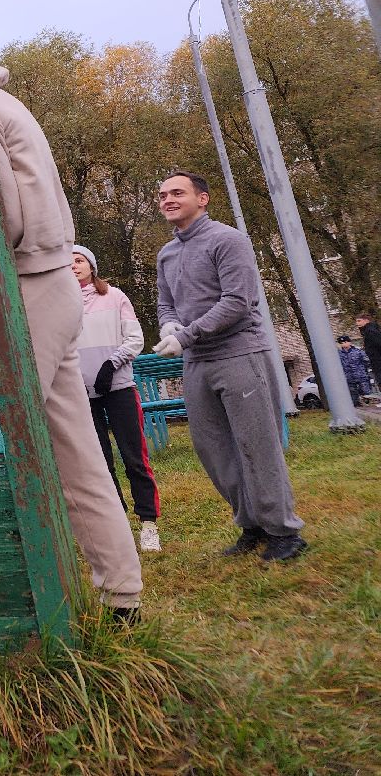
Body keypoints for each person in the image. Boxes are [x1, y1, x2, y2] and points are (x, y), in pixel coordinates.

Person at [0, 60, 144, 618]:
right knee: (75, 448)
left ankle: (16, 602)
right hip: (46, 281)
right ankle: (122, 596)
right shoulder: (1, 102)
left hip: (26, 283)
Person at [154, 170, 305, 562]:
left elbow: (237, 301)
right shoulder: (166, 254)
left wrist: (185, 335)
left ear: (202, 199)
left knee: (257, 445)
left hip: (239, 354)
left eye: (177, 193)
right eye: (162, 195)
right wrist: (169, 324)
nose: (167, 199)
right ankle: (252, 525)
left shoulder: (228, 240)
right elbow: (166, 303)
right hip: (197, 363)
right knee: (213, 449)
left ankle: (285, 532)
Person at [72, 245, 161, 552]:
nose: (73, 266)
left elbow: (135, 339)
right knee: (100, 462)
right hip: (83, 394)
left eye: (79, 260)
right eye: (67, 262)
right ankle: (117, 525)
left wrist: (112, 364)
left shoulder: (114, 296)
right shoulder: (60, 305)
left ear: (91, 265)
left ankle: (148, 523)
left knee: (134, 457)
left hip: (119, 387)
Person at [337, 336, 371, 405]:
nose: (344, 344)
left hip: (361, 376)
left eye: (346, 342)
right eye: (342, 343)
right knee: (353, 396)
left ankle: (367, 403)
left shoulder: (358, 351)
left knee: (366, 393)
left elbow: (366, 361)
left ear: (349, 342)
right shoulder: (339, 354)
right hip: (349, 378)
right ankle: (358, 406)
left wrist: (364, 370)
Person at [358, 312, 381, 393]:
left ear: (366, 321)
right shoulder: (368, 331)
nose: (357, 324)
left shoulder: (371, 331)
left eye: (359, 321)